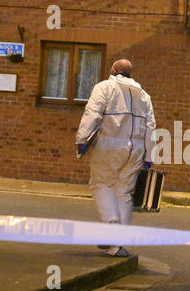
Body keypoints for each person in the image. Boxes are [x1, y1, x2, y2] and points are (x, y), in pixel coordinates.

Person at [76, 59, 156, 257]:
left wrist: (82, 139)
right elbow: (151, 126)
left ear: (114, 70)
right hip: (135, 150)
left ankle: (111, 233)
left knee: (101, 185)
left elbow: (92, 113)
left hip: (109, 145)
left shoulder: (104, 87)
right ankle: (118, 242)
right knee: (124, 192)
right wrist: (149, 154)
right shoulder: (144, 96)